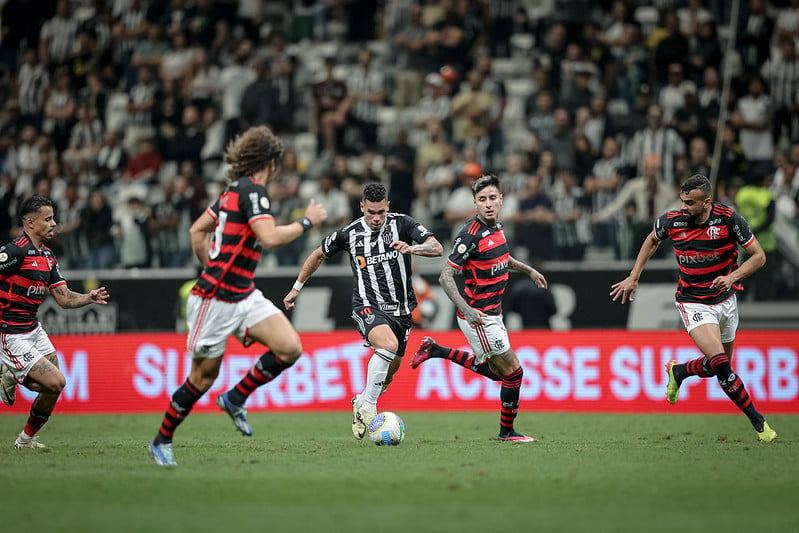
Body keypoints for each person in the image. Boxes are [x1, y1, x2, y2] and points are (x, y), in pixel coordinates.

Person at [148, 126, 328, 467]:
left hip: (244, 295)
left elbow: (197, 230)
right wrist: (308, 221)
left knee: (290, 348)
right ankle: (161, 440)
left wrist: (210, 263)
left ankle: (235, 397)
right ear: (271, 161)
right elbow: (270, 237)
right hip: (214, 301)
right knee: (201, 380)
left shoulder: (232, 191)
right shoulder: (252, 192)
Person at [609, 174, 777, 442]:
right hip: (692, 301)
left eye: (689, 202)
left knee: (718, 367)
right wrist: (634, 276)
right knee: (722, 365)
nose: (683, 207)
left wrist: (733, 277)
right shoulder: (671, 221)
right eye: (682, 201)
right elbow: (652, 240)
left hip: (726, 300)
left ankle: (679, 371)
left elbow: (759, 256)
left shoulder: (729, 220)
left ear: (706, 202)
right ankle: (760, 424)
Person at [283, 182, 443, 440]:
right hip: (368, 306)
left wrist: (412, 248)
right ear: (361, 208)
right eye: (371, 212)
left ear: (388, 206)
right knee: (388, 345)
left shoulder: (403, 224)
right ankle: (369, 408)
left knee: (389, 374)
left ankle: (362, 403)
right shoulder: (348, 233)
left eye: (381, 211)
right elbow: (317, 255)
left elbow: (436, 248)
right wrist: (296, 288)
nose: (377, 218)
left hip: (402, 311)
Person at [410, 174, 548, 442]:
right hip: (479, 316)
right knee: (514, 372)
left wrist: (528, 269)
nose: (488, 204)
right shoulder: (468, 236)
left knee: (499, 374)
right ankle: (506, 433)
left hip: (494, 313)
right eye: (482, 199)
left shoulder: (497, 228)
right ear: (474, 203)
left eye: (492, 198)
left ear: (501, 200)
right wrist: (467, 309)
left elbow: (502, 258)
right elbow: (445, 276)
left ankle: (436, 350)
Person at [0, 196, 110, 448]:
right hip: (11, 333)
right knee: (56, 381)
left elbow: (63, 298)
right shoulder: (15, 251)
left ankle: (25, 441)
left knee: (53, 387)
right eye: (47, 219)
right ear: (30, 222)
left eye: (53, 218)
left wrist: (88, 297)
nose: (54, 224)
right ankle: (11, 374)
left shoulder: (47, 256)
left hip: (34, 330)